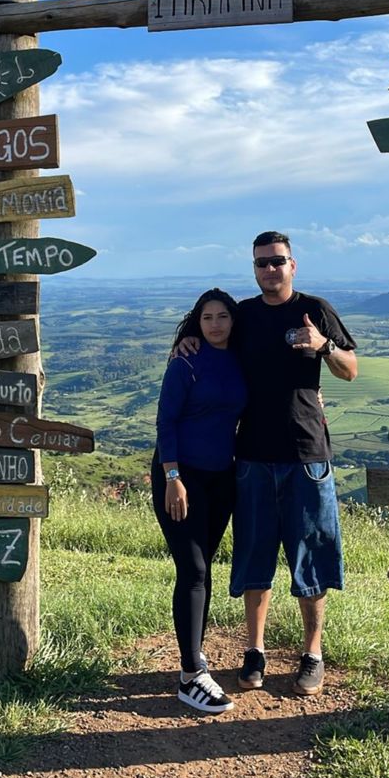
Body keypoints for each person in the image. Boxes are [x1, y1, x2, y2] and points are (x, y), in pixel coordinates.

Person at [178, 231, 357, 698]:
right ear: (253, 268)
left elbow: (350, 369)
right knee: (254, 557)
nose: (269, 270)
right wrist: (186, 345)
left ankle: (312, 654)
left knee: (310, 557)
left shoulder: (316, 309)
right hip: (252, 457)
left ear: (292, 265)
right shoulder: (245, 315)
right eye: (261, 263)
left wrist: (322, 346)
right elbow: (210, 336)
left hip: (307, 455)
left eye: (277, 261)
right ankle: (253, 652)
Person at [152, 288, 247, 715]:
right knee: (191, 569)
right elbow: (165, 422)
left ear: (232, 320)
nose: (214, 325)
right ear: (197, 321)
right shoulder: (185, 362)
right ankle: (191, 675)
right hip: (180, 477)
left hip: (220, 478)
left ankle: (195, 655)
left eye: (222, 316)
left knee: (203, 568)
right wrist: (173, 477)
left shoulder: (242, 359)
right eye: (207, 318)